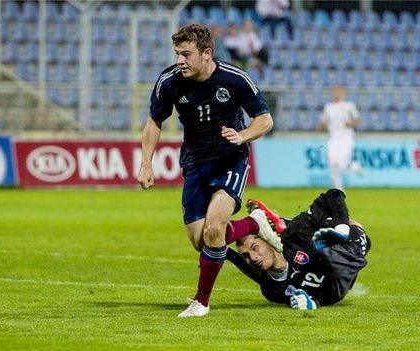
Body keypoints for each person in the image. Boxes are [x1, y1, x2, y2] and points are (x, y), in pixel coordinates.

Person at [137, 23, 274, 317]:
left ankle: (201, 301)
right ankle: (253, 223)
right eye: (177, 54)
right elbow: (153, 122)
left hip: (231, 159)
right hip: (195, 163)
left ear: (207, 53)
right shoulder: (169, 81)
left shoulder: (235, 79)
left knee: (215, 228)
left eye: (186, 54)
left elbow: (264, 119)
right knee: (202, 240)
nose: (180, 60)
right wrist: (146, 163)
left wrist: (243, 136)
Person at [226, 189, 371, 310]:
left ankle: (279, 223)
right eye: (246, 255)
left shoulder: (296, 238)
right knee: (324, 255)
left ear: (266, 238)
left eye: (254, 247)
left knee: (323, 248)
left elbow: (334, 194)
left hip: (351, 241)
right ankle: (278, 222)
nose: (253, 257)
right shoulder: (271, 291)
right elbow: (246, 267)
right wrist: (220, 250)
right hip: (335, 271)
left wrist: (342, 228)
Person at [316, 85, 362, 191]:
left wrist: (351, 122)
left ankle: (354, 166)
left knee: (342, 164)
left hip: (346, 137)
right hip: (333, 138)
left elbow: (358, 120)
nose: (336, 94)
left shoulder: (349, 106)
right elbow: (323, 121)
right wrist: (320, 126)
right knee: (332, 163)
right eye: (335, 92)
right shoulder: (328, 107)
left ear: (343, 94)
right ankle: (339, 191)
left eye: (339, 92)